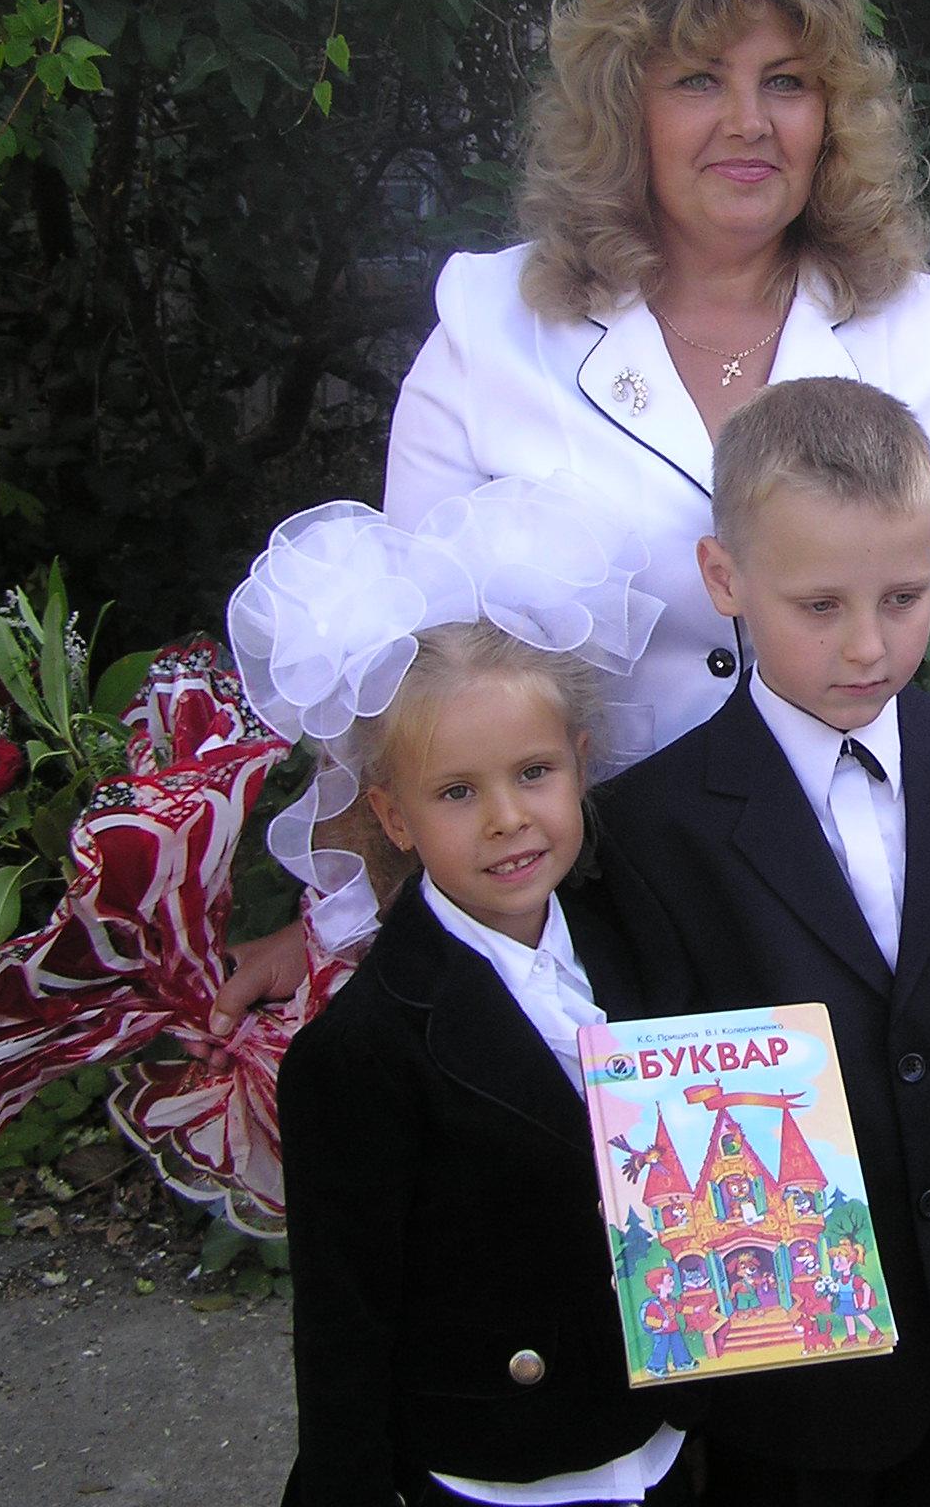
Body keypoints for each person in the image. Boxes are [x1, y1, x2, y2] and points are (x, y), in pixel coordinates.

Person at [210, 0, 930, 1019]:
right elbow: (411, 684)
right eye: (699, 80)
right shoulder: (490, 329)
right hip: (593, 913)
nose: (749, 122)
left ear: (831, 120)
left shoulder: (909, 327)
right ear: (625, 110)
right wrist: (334, 918)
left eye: (787, 83)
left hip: (847, 908)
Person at [593, 378, 930, 1507]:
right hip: (785, 1373)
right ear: (725, 579)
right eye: (820, 605)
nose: (870, 645)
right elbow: (655, 1122)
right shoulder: (650, 828)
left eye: (904, 596)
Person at [244, 496, 691, 1506]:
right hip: (494, 1468)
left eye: (533, 772)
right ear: (392, 815)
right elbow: (344, 1322)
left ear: (581, 761)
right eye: (456, 792)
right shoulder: (359, 1051)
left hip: (666, 1437)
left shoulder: (645, 948)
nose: (506, 818)